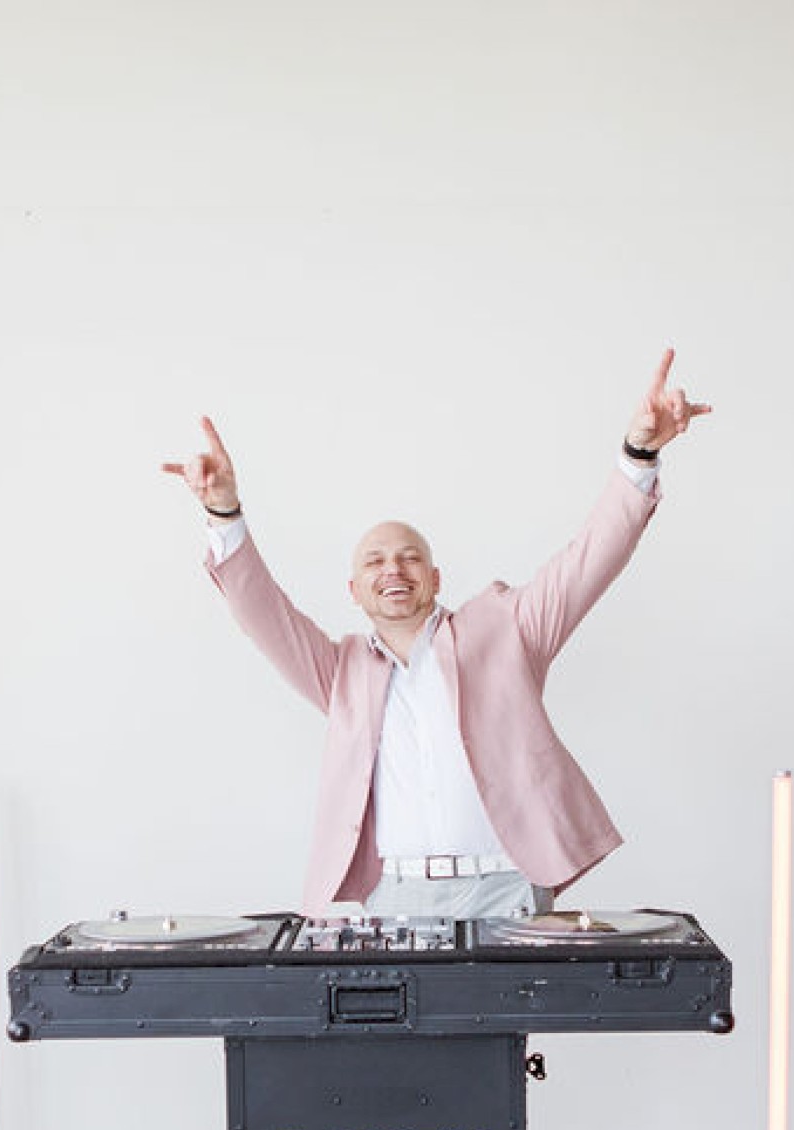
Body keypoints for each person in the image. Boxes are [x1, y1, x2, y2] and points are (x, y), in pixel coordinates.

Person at [162, 350, 710, 918]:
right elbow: (263, 614)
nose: (392, 570)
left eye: (408, 558)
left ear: (435, 577)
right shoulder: (340, 671)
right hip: (396, 897)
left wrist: (639, 454)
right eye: (374, 562)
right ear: (355, 590)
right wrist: (225, 513)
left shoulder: (506, 628)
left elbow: (589, 559)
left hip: (508, 889)